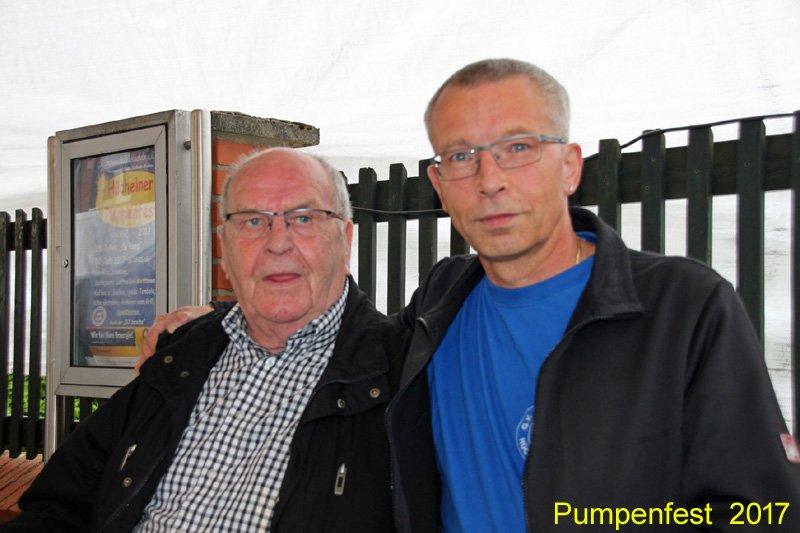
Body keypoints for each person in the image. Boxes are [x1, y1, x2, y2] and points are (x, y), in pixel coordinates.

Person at [138, 59, 800, 532]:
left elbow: (759, 509)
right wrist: (220, 319)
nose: (489, 180)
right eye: (460, 156)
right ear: (438, 184)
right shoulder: (439, 304)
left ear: (569, 166)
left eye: (517, 147)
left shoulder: (684, 307)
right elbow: (332, 329)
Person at [5, 148, 406, 532]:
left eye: (303, 218)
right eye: (252, 221)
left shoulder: (404, 377)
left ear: (345, 240)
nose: (277, 242)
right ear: (224, 249)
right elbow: (59, 507)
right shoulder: (178, 356)